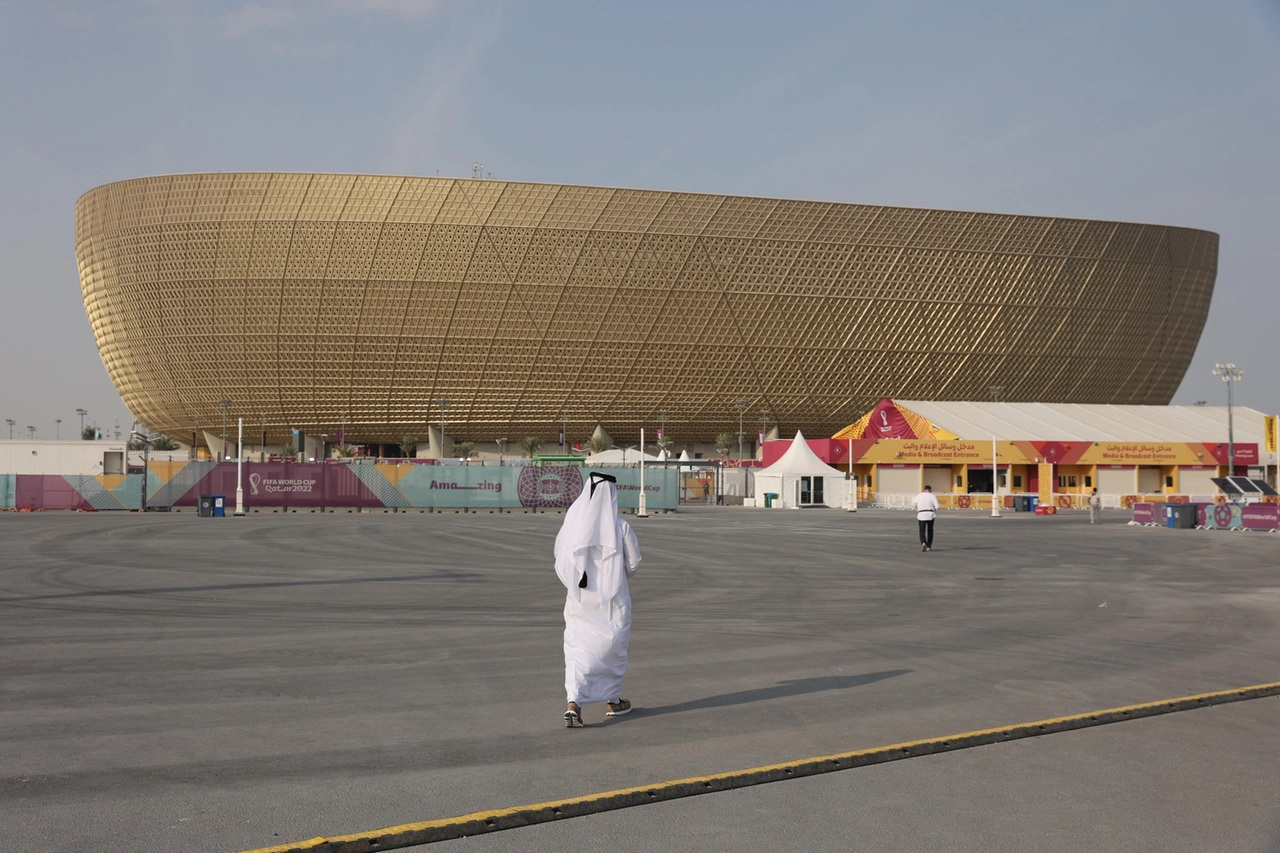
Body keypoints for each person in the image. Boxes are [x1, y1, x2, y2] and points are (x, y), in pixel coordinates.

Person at [554, 471, 642, 728]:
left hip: (579, 600)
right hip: (612, 600)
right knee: (612, 649)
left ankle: (574, 703)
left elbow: (559, 555)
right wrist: (615, 575)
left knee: (578, 649)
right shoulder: (620, 526)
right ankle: (613, 701)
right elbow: (634, 563)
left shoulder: (571, 525)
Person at [913, 484, 940, 551]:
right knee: (930, 530)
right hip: (930, 514)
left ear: (924, 490)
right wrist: (934, 509)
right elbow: (937, 506)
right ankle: (929, 546)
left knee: (922, 530)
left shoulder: (919, 495)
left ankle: (923, 542)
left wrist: (918, 508)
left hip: (921, 513)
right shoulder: (932, 496)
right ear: (930, 490)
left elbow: (913, 504)